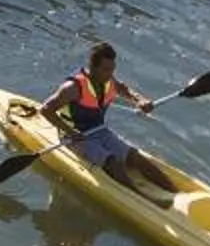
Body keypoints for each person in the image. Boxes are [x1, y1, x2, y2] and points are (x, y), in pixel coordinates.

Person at [37, 43, 159, 190]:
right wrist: (70, 132)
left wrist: (140, 99)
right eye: (106, 70)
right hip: (74, 137)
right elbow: (45, 110)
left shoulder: (109, 80)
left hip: (99, 131)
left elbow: (124, 89)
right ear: (93, 67)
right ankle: (140, 196)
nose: (110, 74)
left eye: (112, 69)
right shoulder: (72, 88)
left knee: (135, 157)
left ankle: (175, 192)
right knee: (112, 162)